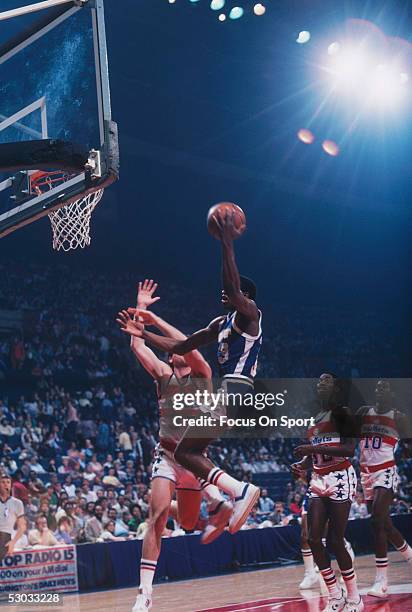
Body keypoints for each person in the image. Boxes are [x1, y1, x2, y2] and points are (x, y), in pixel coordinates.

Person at [118, 210, 261, 538]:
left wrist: (227, 243)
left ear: (245, 297)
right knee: (186, 456)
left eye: (235, 292)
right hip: (219, 402)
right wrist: (143, 324)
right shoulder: (219, 325)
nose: (225, 293)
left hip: (238, 389)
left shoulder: (251, 314)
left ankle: (235, 492)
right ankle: (224, 499)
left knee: (187, 452)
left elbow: (230, 287)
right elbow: (182, 343)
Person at [119, 279, 230, 612]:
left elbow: (189, 345)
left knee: (185, 523)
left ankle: (214, 506)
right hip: (167, 455)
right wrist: (139, 309)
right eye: (169, 350)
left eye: (174, 348)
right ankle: (145, 593)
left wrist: (153, 317)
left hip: (193, 460)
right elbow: (138, 347)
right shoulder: (163, 375)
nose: (172, 352)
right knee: (155, 516)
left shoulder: (202, 373)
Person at [291, 373, 363, 612]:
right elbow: (317, 455)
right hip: (318, 478)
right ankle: (335, 595)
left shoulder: (344, 413)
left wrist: (311, 448)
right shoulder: (315, 418)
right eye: (319, 381)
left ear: (335, 388)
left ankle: (354, 597)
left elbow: (349, 449)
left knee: (335, 539)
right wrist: (303, 464)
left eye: (326, 381)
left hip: (341, 477)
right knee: (312, 539)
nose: (321, 384)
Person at [358, 379, 412, 598]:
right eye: (378, 387)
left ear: (391, 393)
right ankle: (410, 556)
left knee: (377, 521)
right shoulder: (363, 412)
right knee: (385, 525)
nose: (380, 390)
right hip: (365, 473)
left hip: (385, 470)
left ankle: (382, 581)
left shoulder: (398, 417)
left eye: (385, 388)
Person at [0, 471, 26, 562]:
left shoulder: (17, 503)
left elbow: (22, 526)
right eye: (2, 482)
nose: (5, 485)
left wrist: (13, 542)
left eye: (8, 482)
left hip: (6, 537)